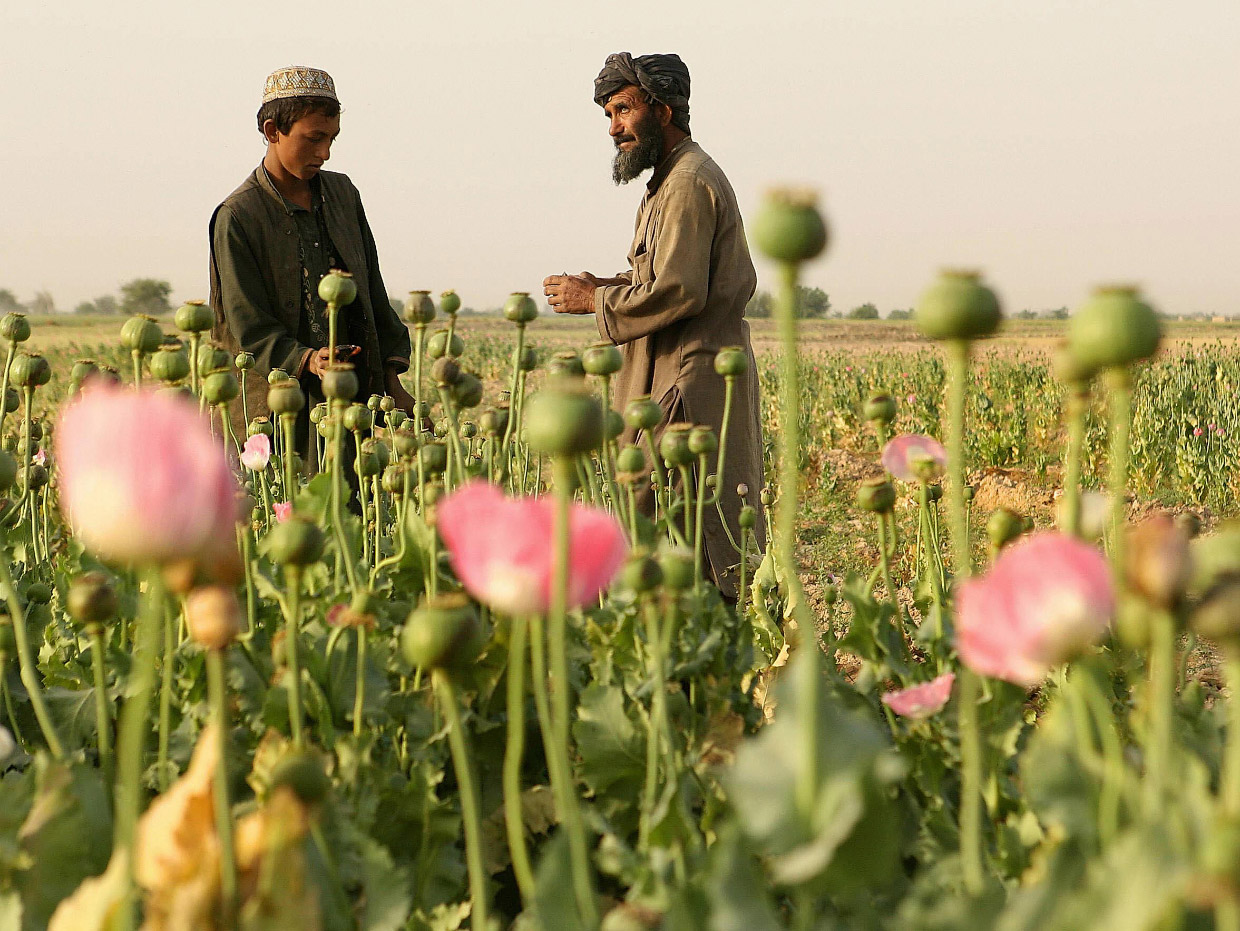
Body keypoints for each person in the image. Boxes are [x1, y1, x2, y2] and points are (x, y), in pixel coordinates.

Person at [543, 52, 766, 599]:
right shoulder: (667, 181)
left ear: (662, 110)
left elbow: (680, 290)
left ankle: (710, 663)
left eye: (623, 109)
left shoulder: (689, 182)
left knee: (695, 535)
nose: (615, 127)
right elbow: (662, 272)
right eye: (608, 115)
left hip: (687, 387)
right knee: (662, 530)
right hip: (665, 378)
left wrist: (596, 302)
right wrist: (608, 286)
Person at [208, 65, 413, 460]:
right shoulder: (238, 215)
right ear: (272, 131)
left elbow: (371, 293)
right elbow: (245, 322)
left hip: (348, 403)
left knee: (352, 511)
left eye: (332, 139)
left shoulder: (342, 194)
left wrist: (391, 380)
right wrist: (305, 359)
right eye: (313, 139)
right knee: (286, 507)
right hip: (272, 410)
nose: (325, 153)